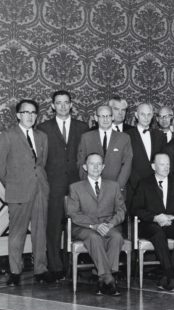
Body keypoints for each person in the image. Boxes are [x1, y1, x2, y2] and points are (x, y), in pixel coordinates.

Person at [0, 99, 52, 285]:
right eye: (26, 112)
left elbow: (41, 164)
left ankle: (40, 269)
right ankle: (15, 272)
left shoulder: (42, 137)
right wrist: (14, 185)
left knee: (40, 231)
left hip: (40, 190)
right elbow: (1, 168)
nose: (30, 116)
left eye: (33, 113)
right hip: (18, 191)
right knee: (17, 233)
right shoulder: (7, 136)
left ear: (37, 116)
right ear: (18, 115)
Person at [38, 90, 89, 280]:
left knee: (75, 225)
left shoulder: (82, 127)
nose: (62, 106)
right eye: (58, 103)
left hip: (77, 185)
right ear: (52, 105)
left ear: (71, 105)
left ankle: (71, 265)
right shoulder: (43, 128)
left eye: (66, 102)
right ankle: (55, 267)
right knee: (53, 226)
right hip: (53, 185)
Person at [131, 153, 174, 292]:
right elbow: (135, 209)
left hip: (171, 223)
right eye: (162, 164)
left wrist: (173, 217)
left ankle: (168, 275)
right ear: (153, 166)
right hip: (150, 224)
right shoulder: (144, 183)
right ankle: (172, 275)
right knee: (158, 233)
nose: (166, 168)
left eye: (168, 164)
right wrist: (155, 217)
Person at [66, 153, 126, 296]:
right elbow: (73, 214)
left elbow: (121, 210)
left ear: (103, 167)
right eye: (92, 164)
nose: (96, 167)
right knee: (94, 238)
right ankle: (109, 279)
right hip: (85, 227)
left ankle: (102, 279)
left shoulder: (114, 186)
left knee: (117, 237)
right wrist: (94, 225)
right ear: (85, 167)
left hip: (108, 226)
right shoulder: (76, 187)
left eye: (99, 164)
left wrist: (111, 224)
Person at [77, 105, 133, 193]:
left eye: (108, 116)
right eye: (102, 116)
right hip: (90, 190)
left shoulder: (124, 138)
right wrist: (88, 186)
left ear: (113, 117)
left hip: (116, 189)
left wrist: (118, 187)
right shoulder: (86, 137)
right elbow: (81, 163)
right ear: (96, 118)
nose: (105, 119)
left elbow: (127, 164)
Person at [126, 103, 166, 209]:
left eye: (149, 114)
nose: (146, 117)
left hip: (155, 187)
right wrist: (136, 184)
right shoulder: (127, 135)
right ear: (136, 115)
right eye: (143, 114)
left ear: (153, 116)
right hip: (133, 186)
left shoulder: (160, 135)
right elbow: (126, 162)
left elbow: (162, 162)